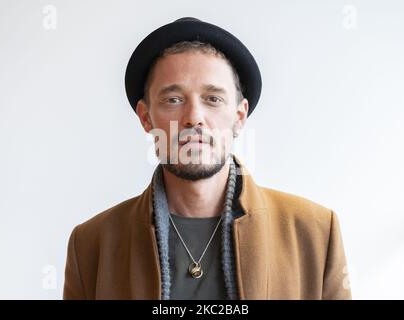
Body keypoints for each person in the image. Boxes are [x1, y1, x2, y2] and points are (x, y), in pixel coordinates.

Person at [63, 17, 351, 300]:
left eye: (213, 99)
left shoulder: (315, 233)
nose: (194, 118)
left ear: (239, 116)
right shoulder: (91, 245)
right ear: (145, 117)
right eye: (173, 99)